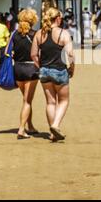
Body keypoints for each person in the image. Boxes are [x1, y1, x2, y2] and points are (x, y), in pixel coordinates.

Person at [31, 8, 75, 142]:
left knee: (50, 102)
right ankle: (55, 125)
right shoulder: (63, 33)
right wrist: (72, 68)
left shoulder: (39, 34)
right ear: (57, 19)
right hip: (60, 71)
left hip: (44, 71)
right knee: (64, 101)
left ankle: (52, 132)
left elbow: (33, 54)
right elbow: (71, 54)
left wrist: (41, 66)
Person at [9, 8, 40, 139]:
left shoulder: (14, 34)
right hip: (31, 69)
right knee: (27, 101)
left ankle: (30, 125)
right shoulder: (35, 34)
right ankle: (21, 129)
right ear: (33, 20)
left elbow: (10, 51)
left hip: (17, 69)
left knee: (27, 100)